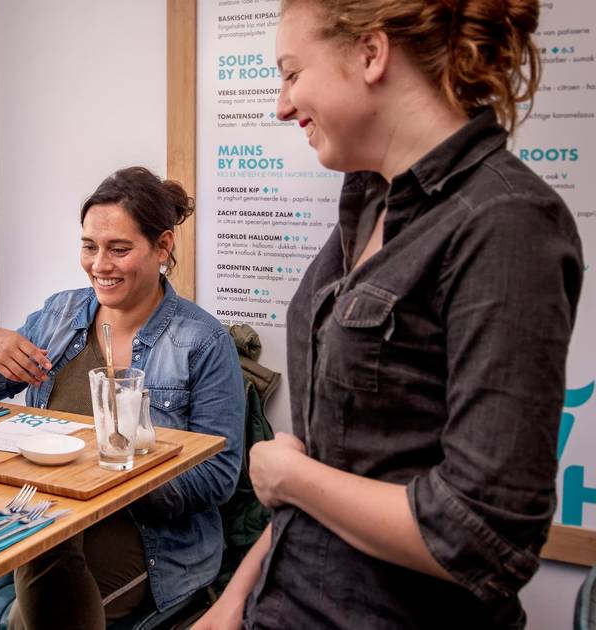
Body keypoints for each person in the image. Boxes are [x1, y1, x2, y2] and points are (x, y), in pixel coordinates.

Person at [195, 2, 583, 629]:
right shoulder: (370, 205)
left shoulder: (505, 223)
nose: (282, 106)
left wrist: (291, 477)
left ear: (371, 54)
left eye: (293, 73)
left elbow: (484, 537)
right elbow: (344, 464)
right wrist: (234, 599)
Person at [0, 167, 245, 628]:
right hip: (43, 513)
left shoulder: (202, 341)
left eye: (119, 249)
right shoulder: (60, 313)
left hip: (148, 541)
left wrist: (110, 479)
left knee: (26, 604)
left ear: (163, 247)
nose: (99, 265)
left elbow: (219, 476)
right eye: (89, 246)